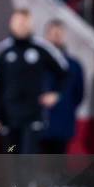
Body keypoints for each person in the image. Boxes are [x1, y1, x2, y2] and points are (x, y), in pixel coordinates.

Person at [0, 9, 69, 154]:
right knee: (11, 154)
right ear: (11, 24)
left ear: (31, 25)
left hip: (34, 116)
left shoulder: (41, 47)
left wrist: (56, 94)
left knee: (29, 156)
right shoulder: (3, 50)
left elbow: (65, 73)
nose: (21, 26)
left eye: (25, 23)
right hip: (8, 118)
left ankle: (28, 177)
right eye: (18, 22)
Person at [40, 19, 84, 153]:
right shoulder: (36, 63)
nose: (55, 38)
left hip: (62, 125)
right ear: (46, 36)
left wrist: (61, 101)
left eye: (59, 34)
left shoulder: (73, 66)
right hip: (37, 125)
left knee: (58, 168)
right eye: (53, 34)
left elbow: (78, 94)